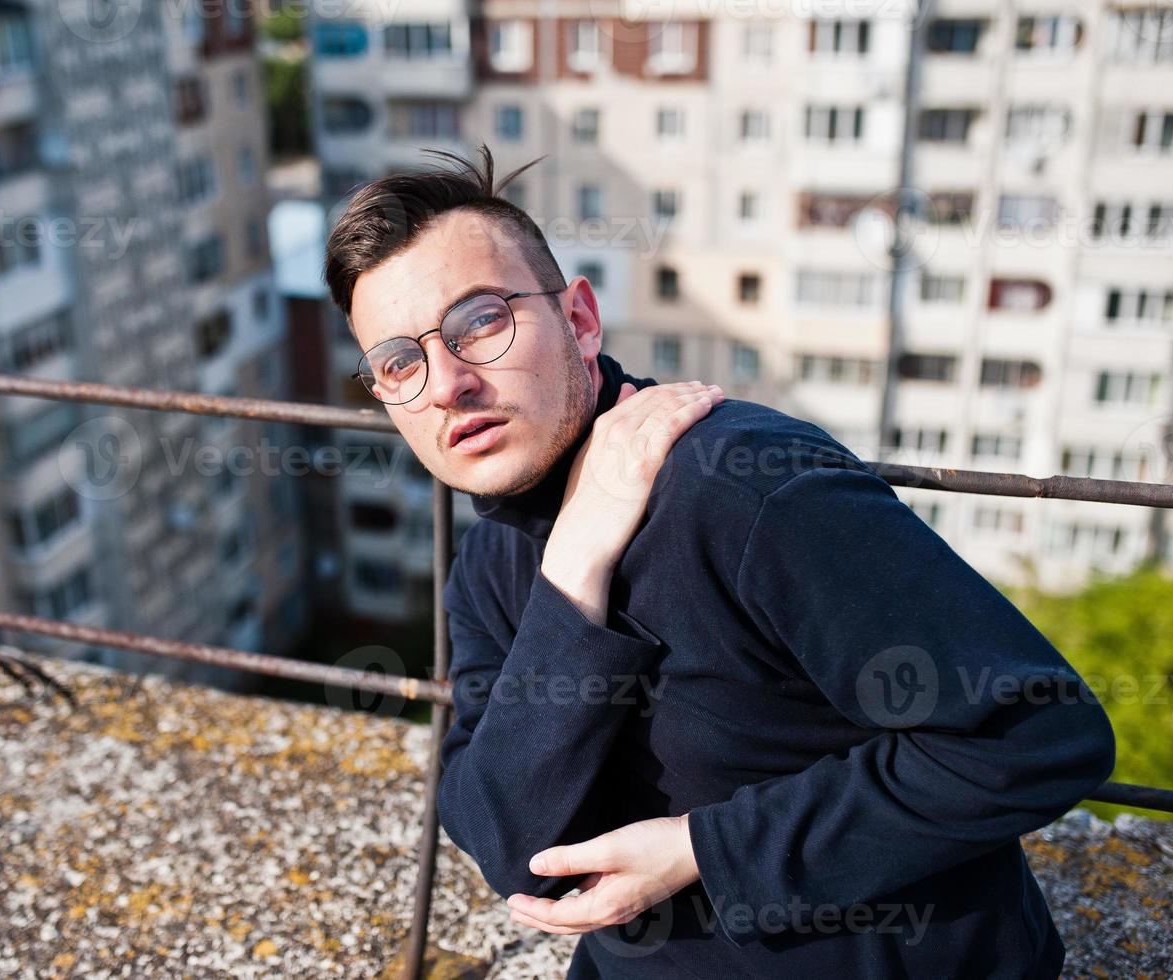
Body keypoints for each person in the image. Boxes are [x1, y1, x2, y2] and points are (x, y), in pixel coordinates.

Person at [322, 144, 1117, 979]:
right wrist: (576, 566)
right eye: (399, 363)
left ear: (580, 321)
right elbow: (504, 844)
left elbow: (1035, 735)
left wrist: (704, 847)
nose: (446, 383)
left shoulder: (744, 489)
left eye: (479, 320)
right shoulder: (490, 560)